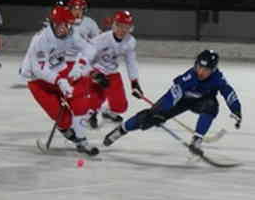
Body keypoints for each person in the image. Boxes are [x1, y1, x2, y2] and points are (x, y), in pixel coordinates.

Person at [103, 49, 241, 157]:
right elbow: (171, 97)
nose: (201, 72)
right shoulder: (188, 78)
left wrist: (236, 110)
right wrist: (159, 112)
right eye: (199, 67)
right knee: (148, 117)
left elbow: (228, 92)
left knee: (211, 107)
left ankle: (197, 140)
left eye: (206, 70)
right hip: (179, 101)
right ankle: (121, 129)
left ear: (214, 70)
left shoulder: (217, 78)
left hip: (200, 102)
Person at [20, 5, 99, 154]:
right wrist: (59, 81)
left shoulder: (72, 33)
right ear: (52, 23)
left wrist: (79, 65)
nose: (63, 28)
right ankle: (67, 132)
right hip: (37, 80)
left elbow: (90, 49)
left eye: (66, 24)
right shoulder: (41, 39)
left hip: (58, 70)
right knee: (63, 119)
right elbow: (39, 69)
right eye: (59, 25)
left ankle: (81, 139)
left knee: (79, 96)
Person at [87, 10, 144, 128]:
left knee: (121, 106)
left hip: (112, 73)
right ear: (114, 25)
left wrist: (134, 82)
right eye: (120, 26)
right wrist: (93, 74)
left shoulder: (130, 41)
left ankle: (107, 112)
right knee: (94, 100)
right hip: (96, 71)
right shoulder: (100, 40)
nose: (123, 30)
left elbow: (131, 62)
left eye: (126, 27)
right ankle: (90, 113)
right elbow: (85, 58)